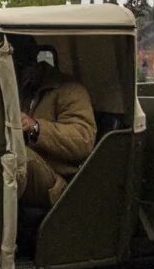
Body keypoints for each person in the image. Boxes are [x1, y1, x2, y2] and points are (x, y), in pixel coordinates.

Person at [11, 35, 95, 206]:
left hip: (58, 180)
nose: (18, 76)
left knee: (15, 158)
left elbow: (83, 139)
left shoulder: (70, 90)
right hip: (33, 170)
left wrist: (35, 127)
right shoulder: (21, 90)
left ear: (33, 64)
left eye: (20, 69)